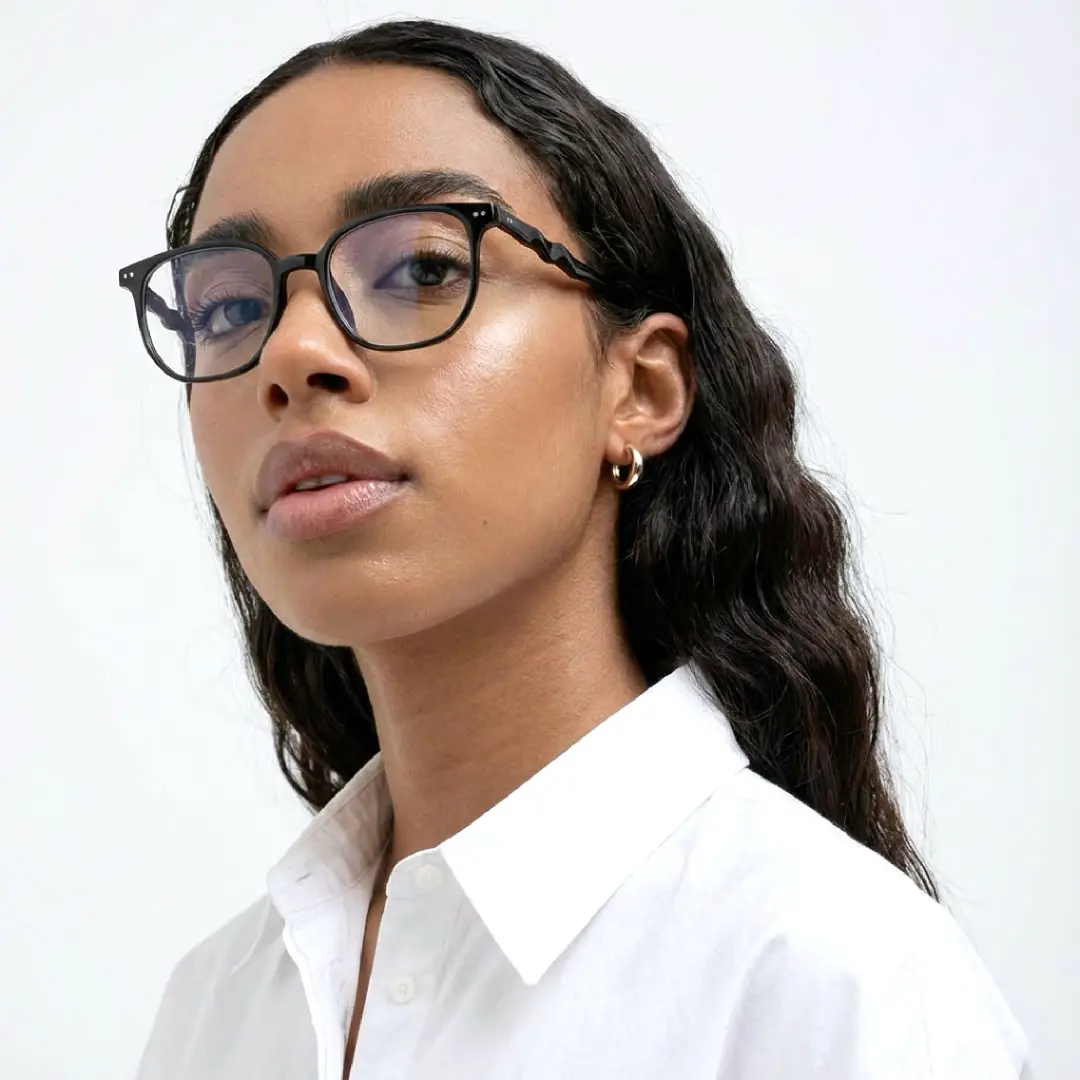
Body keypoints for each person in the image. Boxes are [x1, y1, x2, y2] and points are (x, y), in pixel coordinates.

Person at [118, 17, 1031, 1080]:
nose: (292, 353)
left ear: (638, 389)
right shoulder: (215, 1013)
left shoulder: (835, 983)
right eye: (229, 307)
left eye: (420, 267)